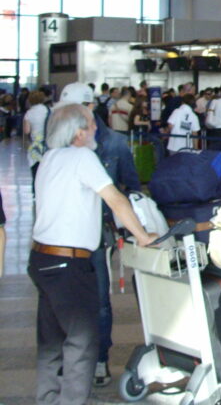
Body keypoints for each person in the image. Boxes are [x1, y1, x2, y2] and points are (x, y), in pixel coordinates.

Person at [30, 102, 155, 405]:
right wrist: (142, 235)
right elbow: (116, 200)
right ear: (77, 133)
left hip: (42, 260)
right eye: (90, 124)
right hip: (69, 263)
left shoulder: (48, 158)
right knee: (81, 343)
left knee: (51, 342)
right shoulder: (83, 157)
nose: (96, 128)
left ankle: (47, 399)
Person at [52, 82, 146, 389]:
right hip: (64, 236)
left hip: (98, 236)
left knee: (99, 300)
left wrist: (135, 229)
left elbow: (129, 188)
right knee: (65, 300)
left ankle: (100, 359)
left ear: (89, 111)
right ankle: (71, 359)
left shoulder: (114, 145)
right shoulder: (61, 145)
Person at [24, 89, 50, 186]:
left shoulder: (29, 113)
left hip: (35, 144)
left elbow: (27, 131)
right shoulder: (48, 110)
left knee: (35, 168)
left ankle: (35, 190)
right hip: (48, 143)